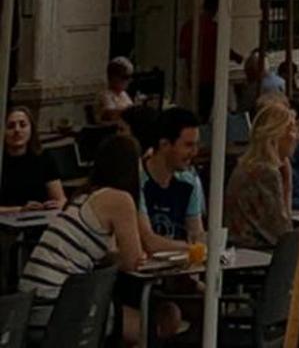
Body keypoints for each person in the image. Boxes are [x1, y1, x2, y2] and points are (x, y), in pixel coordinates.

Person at [22, 133, 153, 339]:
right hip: (57, 311)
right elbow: (132, 261)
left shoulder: (84, 195)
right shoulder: (120, 199)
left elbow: (105, 255)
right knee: (147, 327)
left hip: (29, 309)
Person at [226, 101, 299, 252]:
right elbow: (283, 233)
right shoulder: (266, 173)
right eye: (292, 129)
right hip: (258, 257)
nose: (296, 136)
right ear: (277, 135)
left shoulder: (247, 166)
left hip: (242, 250)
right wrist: (288, 184)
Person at [139, 107, 205, 244]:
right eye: (188, 145)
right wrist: (191, 249)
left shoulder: (190, 182)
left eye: (196, 145)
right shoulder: (137, 180)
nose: (194, 152)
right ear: (164, 145)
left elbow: (196, 234)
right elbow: (147, 240)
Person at [0, 108, 63, 211]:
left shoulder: (44, 158)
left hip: (41, 218)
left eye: (23, 125)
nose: (17, 130)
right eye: (11, 126)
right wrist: (21, 209)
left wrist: (57, 205)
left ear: (31, 129)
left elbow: (60, 199)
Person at [235, 50, 285, 116]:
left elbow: (242, 111)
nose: (247, 77)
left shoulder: (255, 87)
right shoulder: (281, 81)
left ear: (253, 71)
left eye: (248, 73)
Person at [93, 57, 135, 127]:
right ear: (113, 77)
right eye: (125, 77)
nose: (129, 81)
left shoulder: (123, 94)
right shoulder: (105, 95)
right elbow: (111, 115)